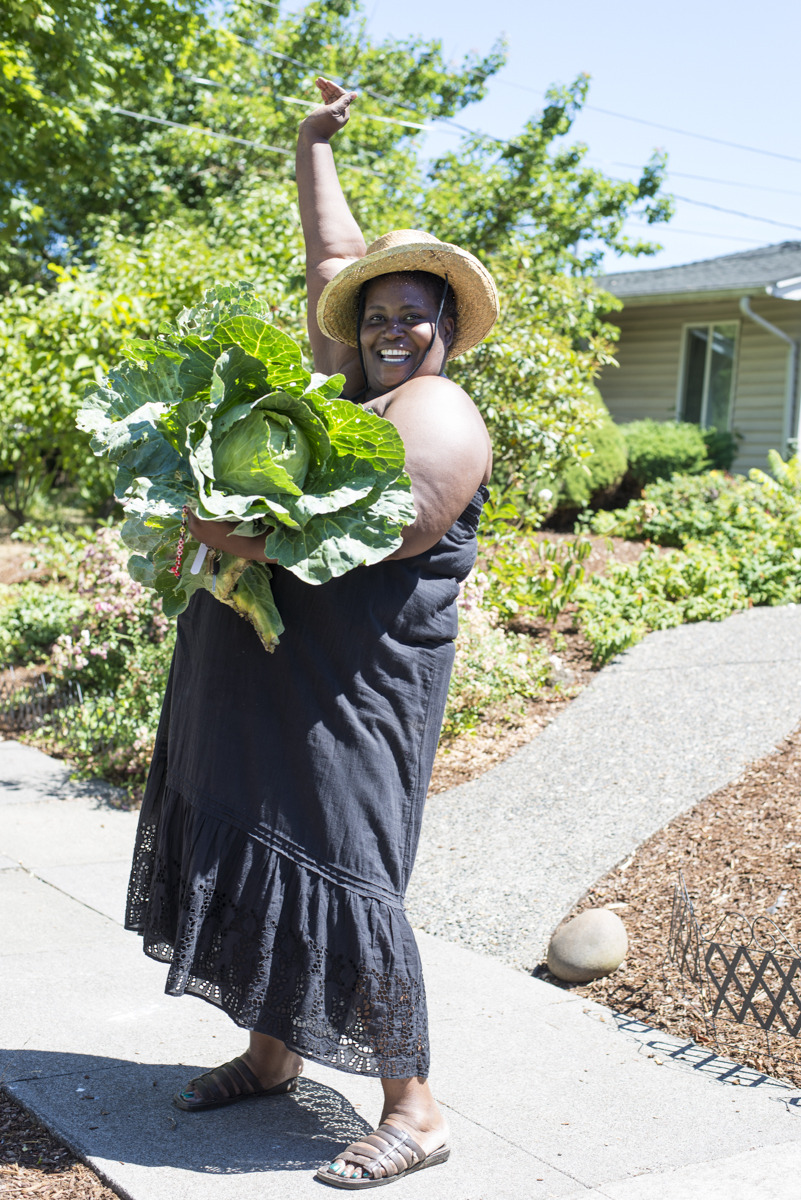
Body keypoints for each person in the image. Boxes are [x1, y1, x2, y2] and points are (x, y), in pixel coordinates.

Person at [124, 76, 499, 1189]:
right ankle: (274, 1051)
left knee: (342, 867)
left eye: (412, 311)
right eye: (378, 312)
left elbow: (374, 534)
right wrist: (310, 145)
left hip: (355, 689)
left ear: (444, 328)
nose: (390, 324)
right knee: (253, 832)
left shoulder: (437, 413)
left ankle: (415, 1109)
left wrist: (229, 539)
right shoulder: (350, 385)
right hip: (272, 678)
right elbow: (331, 258)